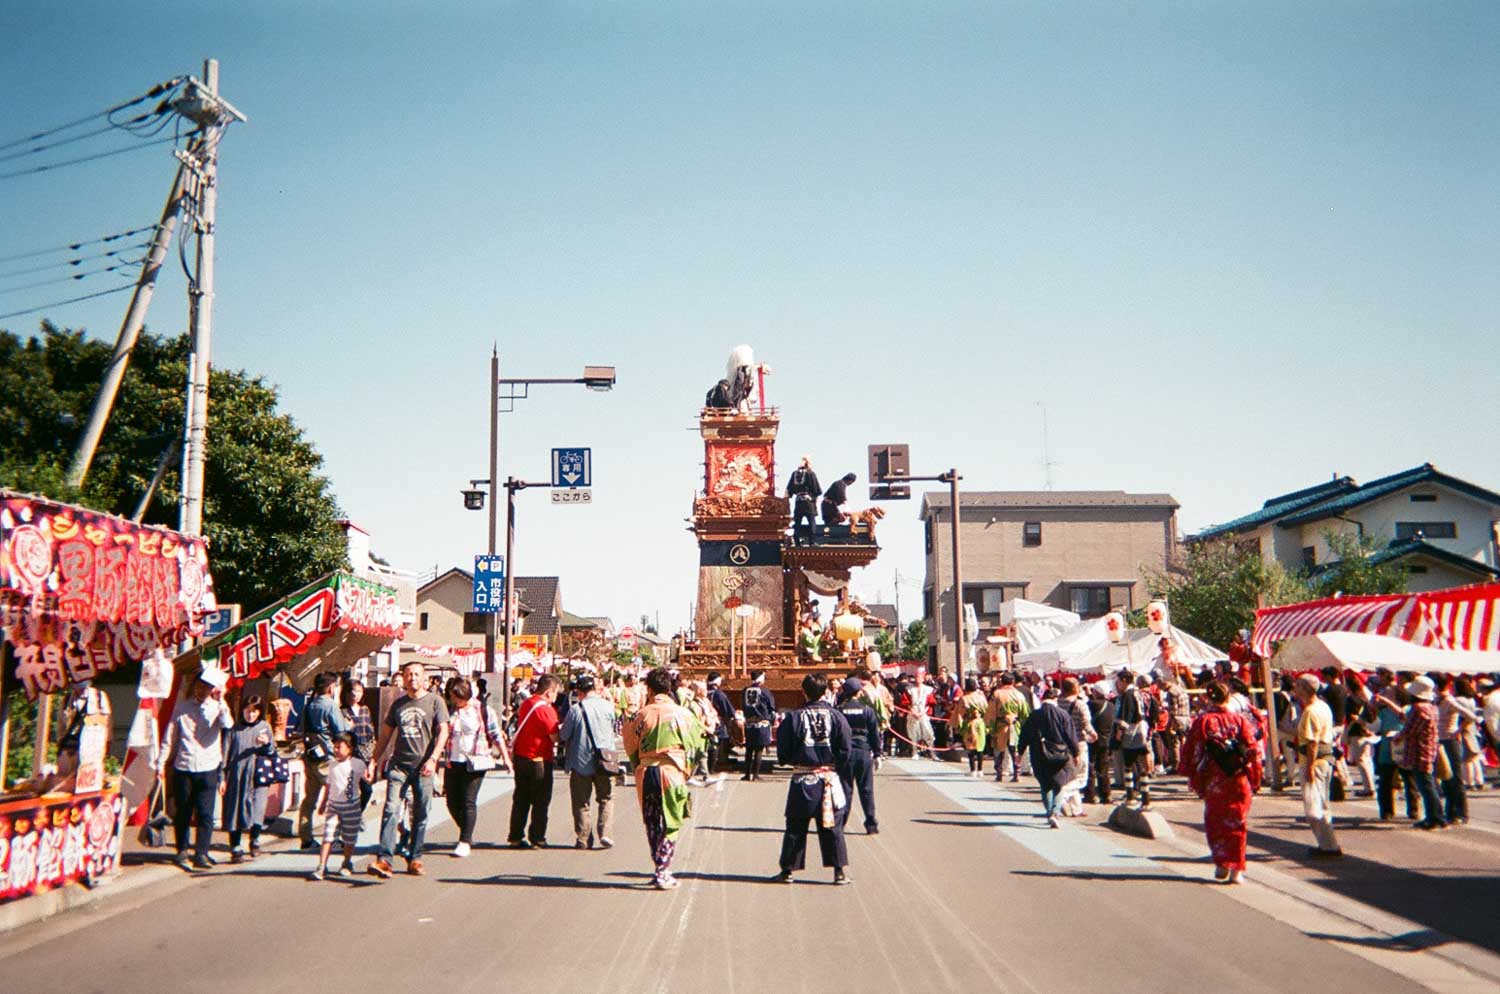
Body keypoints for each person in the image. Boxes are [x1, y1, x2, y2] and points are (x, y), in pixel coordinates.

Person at [622, 667, 705, 890]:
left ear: (649, 689)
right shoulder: (684, 714)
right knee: (671, 821)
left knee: (651, 821)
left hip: (646, 772)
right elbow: (697, 745)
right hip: (672, 771)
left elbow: (630, 745)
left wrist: (636, 765)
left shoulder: (641, 714)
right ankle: (662, 869)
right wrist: (688, 770)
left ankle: (658, 866)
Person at [366, 661, 450, 878]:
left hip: (424, 768)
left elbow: (443, 732)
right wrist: (373, 760)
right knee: (391, 809)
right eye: (408, 674)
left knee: (421, 814)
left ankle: (415, 858)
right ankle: (384, 859)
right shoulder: (398, 705)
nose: (412, 678)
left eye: (416, 674)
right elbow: (385, 735)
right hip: (399, 766)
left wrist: (433, 759)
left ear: (424, 678)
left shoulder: (435, 702)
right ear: (403, 678)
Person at [773, 674, 853, 885]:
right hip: (828, 775)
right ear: (825, 691)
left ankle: (788, 869)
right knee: (832, 825)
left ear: (804, 692)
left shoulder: (794, 717)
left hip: (803, 777)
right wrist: (837, 767)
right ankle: (839, 871)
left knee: (795, 825)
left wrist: (788, 760)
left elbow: (783, 746)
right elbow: (845, 746)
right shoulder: (836, 716)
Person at [1180, 681, 1263, 884]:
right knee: (1238, 822)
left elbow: (1194, 751)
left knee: (1215, 822)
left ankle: (1221, 863)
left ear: (1209, 698)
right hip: (1238, 778)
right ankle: (1237, 870)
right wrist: (1255, 776)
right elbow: (1253, 750)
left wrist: (1194, 776)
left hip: (1215, 780)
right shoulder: (1241, 721)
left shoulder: (1203, 722)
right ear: (1229, 697)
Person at [157, 667, 235, 871]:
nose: (201, 690)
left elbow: (228, 724)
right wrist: (161, 762)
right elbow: (170, 736)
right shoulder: (182, 708)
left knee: (205, 813)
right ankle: (182, 850)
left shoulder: (218, 707)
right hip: (184, 764)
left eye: (206, 687)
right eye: (199, 686)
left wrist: (221, 700)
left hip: (209, 766)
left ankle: (201, 852)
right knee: (183, 811)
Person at [443, 676, 503, 858]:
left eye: (458, 697)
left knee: (468, 800)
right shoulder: (448, 710)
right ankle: (467, 829)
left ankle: (464, 841)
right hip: (453, 759)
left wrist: (506, 757)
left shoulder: (482, 709)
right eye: (452, 696)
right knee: (452, 802)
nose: (455, 700)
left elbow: (495, 733)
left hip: (476, 760)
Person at [559, 674, 618, 850]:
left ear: (579, 691)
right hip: (605, 760)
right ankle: (605, 833)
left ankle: (584, 838)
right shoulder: (609, 707)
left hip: (580, 761)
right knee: (606, 798)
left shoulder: (576, 709)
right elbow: (612, 729)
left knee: (581, 802)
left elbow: (564, 735)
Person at [298, 671, 351, 851]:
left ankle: (305, 837)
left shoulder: (309, 705)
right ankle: (333, 838)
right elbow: (340, 732)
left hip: (310, 755)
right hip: (327, 756)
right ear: (331, 687)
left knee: (309, 799)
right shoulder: (330, 706)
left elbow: (300, 729)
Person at [508, 674, 561, 848]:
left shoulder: (527, 704)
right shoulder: (546, 710)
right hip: (539, 759)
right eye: (555, 693)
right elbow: (554, 738)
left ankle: (515, 836)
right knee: (540, 801)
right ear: (549, 692)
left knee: (521, 798)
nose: (556, 698)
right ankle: (537, 837)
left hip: (521, 757)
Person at [1293, 673, 1342, 858]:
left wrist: (1310, 768)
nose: (1295, 689)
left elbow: (1312, 743)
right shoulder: (1322, 706)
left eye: (1297, 685)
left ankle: (1328, 846)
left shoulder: (1311, 711)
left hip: (1315, 761)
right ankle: (1328, 844)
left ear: (1304, 689)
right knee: (1322, 803)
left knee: (1315, 807)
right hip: (1325, 760)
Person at [222, 694, 274, 864]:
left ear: (260, 712)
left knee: (257, 808)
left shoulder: (264, 727)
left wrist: (266, 744)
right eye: (247, 711)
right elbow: (225, 756)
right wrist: (221, 777)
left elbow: (272, 752)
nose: (250, 715)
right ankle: (235, 847)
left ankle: (255, 840)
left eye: (254, 711)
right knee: (235, 810)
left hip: (258, 775)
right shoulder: (234, 730)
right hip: (237, 775)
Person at [1017, 688, 1080, 828]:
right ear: (1055, 699)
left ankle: (1049, 811)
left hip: (1039, 754)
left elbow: (1025, 734)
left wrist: (1019, 752)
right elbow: (1070, 736)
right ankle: (1055, 813)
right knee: (1059, 785)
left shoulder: (1035, 715)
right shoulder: (1063, 714)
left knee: (1045, 785)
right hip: (1060, 755)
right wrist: (1076, 753)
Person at [310, 733, 365, 880]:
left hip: (351, 805)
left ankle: (347, 863)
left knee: (349, 838)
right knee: (328, 835)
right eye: (334, 746)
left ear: (350, 748)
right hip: (334, 805)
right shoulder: (332, 765)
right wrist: (323, 804)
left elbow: (367, 781)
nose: (335, 749)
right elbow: (328, 786)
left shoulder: (357, 764)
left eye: (339, 746)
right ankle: (321, 865)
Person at [1397, 676, 1447, 829]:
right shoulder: (1432, 707)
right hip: (1430, 748)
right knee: (1429, 783)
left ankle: (1435, 818)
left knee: (1425, 785)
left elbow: (1409, 730)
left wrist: (1397, 737)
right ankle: (1437, 816)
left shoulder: (1418, 708)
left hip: (1419, 750)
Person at [835, 677, 880, 834]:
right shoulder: (867, 710)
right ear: (859, 692)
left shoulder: (839, 710)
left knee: (845, 790)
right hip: (863, 752)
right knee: (866, 790)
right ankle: (871, 824)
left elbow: (835, 734)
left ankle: (840, 824)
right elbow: (875, 733)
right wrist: (878, 754)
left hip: (845, 753)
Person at [1112, 671, 1154, 809]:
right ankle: (1145, 799)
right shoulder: (1138, 693)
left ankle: (1132, 797)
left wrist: (1119, 732)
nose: (1117, 684)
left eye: (1118, 681)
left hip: (1132, 732)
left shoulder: (1128, 695)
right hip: (1142, 729)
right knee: (1141, 766)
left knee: (1129, 766)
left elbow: (1126, 716)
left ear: (1124, 680)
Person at [1055, 678, 1096, 816]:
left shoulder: (1058, 703)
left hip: (1062, 743)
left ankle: (1076, 808)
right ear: (1075, 688)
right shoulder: (1080, 704)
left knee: (1071, 775)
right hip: (1078, 743)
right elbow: (1086, 723)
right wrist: (1093, 734)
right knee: (1081, 778)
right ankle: (1061, 795)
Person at [342, 679, 377, 812]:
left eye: (359, 691)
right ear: (347, 692)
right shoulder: (342, 711)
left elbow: (371, 731)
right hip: (351, 755)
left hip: (366, 754)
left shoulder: (365, 709)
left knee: (367, 790)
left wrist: (374, 755)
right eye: (353, 691)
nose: (356, 694)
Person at [988, 672, 1030, 781]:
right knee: (1014, 750)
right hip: (1015, 725)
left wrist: (990, 727)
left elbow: (991, 712)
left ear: (1001, 681)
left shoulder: (996, 694)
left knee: (999, 750)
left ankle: (999, 774)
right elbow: (1025, 713)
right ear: (1013, 682)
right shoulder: (1018, 695)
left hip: (1000, 725)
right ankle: (1017, 774)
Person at [1084, 683, 1116, 804]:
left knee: (1090, 766)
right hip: (1106, 739)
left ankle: (1090, 794)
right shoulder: (1112, 706)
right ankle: (1106, 794)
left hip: (1092, 738)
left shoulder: (1091, 704)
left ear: (1097, 692)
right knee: (1103, 768)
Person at [742, 671, 776, 780]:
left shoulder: (745, 691)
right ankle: (755, 775)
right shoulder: (764, 692)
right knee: (759, 750)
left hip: (749, 723)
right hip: (761, 723)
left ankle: (747, 774)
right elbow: (771, 706)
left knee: (749, 750)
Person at [786, 455, 823, 545]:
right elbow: (817, 490)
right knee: (811, 521)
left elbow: (789, 490)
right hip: (808, 502)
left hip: (798, 501)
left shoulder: (794, 474)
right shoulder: (810, 473)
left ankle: (797, 541)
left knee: (797, 522)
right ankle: (812, 542)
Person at [956, 677, 989, 777]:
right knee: (980, 746)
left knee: (970, 746)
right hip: (980, 722)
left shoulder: (964, 699)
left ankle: (972, 769)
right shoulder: (981, 697)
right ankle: (980, 769)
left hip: (969, 723)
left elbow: (960, 713)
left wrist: (959, 726)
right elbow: (986, 709)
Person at [706, 673, 737, 772]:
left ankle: (710, 764)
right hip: (717, 721)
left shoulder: (704, 692)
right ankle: (717, 764)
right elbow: (728, 710)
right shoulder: (719, 694)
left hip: (704, 721)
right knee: (719, 743)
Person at [905, 670, 936, 759]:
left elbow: (930, 703)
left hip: (923, 713)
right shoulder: (910, 689)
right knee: (913, 733)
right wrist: (913, 711)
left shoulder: (928, 689)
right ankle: (914, 752)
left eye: (919, 677)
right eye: (916, 677)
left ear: (923, 679)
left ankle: (932, 753)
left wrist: (923, 712)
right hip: (913, 713)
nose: (917, 679)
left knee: (928, 732)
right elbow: (907, 703)